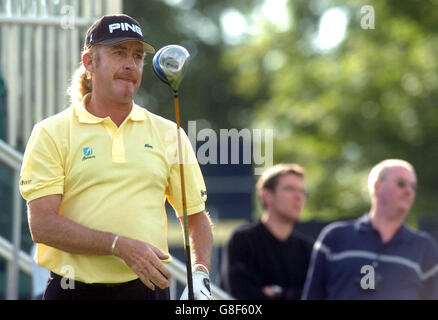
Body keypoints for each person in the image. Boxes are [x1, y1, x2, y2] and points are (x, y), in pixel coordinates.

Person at [19, 14, 213, 300]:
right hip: (73, 291)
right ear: (89, 63)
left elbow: (195, 217)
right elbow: (43, 224)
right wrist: (118, 245)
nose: (130, 64)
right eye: (118, 52)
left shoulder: (168, 133)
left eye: (137, 56)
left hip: (148, 290)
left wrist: (200, 274)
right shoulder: (52, 132)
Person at [302, 159, 438, 300]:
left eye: (413, 187)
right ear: (377, 186)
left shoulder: (424, 247)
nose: (409, 191)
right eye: (401, 183)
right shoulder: (334, 237)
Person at [220, 163, 313, 300]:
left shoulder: (307, 249)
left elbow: (316, 294)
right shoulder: (243, 240)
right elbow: (242, 296)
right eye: (290, 189)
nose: (299, 197)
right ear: (267, 195)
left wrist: (278, 293)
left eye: (302, 191)